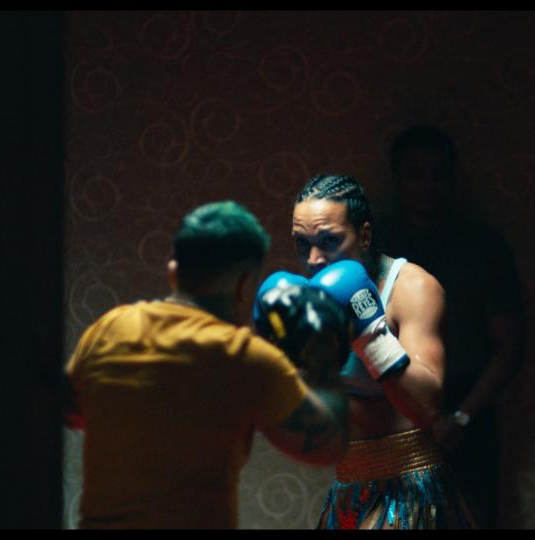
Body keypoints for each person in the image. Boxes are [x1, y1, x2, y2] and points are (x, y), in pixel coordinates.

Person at [63, 200, 350, 529]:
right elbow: (327, 447)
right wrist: (323, 347)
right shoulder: (245, 357)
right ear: (245, 285)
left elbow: (72, 411)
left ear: (174, 272)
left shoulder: (108, 328)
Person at [270, 173, 474, 528]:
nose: (315, 259)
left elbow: (428, 406)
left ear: (363, 235)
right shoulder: (309, 300)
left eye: (330, 241)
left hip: (410, 486)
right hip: (348, 483)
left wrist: (369, 333)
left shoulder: (413, 288)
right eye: (302, 244)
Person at [376, 126, 525, 528]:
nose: (430, 185)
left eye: (440, 173)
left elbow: (509, 347)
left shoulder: (483, 247)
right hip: (390, 413)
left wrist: (461, 416)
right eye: (416, 173)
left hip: (466, 412)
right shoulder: (375, 246)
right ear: (398, 178)